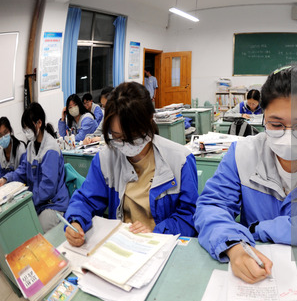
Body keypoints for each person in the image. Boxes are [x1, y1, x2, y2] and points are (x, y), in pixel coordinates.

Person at [195, 67, 297, 283]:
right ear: (263, 117)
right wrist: (234, 246)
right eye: (276, 124)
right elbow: (212, 206)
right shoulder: (242, 154)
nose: (289, 136)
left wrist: (264, 229)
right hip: (256, 265)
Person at [64, 82, 199, 247]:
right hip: (123, 246)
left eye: (133, 136)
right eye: (117, 136)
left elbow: (189, 217)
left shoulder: (180, 160)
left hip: (161, 246)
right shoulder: (105, 159)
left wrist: (155, 233)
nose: (125, 143)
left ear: (149, 121)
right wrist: (76, 221)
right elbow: (86, 199)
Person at [0, 103, 69, 232]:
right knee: (20, 224)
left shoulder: (50, 149)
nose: (26, 132)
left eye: (28, 128)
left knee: (34, 229)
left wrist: (28, 200)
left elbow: (48, 187)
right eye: (24, 128)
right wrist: (5, 179)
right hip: (39, 202)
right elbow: (22, 171)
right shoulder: (31, 146)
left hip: (54, 204)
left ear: (39, 123)